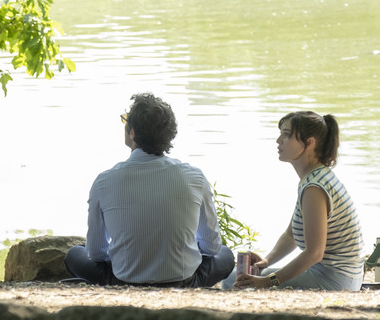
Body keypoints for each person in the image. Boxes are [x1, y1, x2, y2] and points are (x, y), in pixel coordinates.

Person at [65, 93, 235, 287]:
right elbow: (211, 248)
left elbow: (95, 253)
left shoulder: (104, 181)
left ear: (133, 132)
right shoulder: (194, 177)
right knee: (226, 254)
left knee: (74, 254)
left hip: (122, 281)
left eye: (125, 120)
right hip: (184, 281)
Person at [226, 111, 364, 291]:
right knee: (237, 277)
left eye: (286, 134)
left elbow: (314, 253)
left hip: (334, 280)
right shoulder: (313, 178)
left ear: (309, 143)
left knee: (232, 281)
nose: (278, 140)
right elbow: (291, 235)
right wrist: (266, 262)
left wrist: (268, 282)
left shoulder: (315, 187)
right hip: (332, 275)